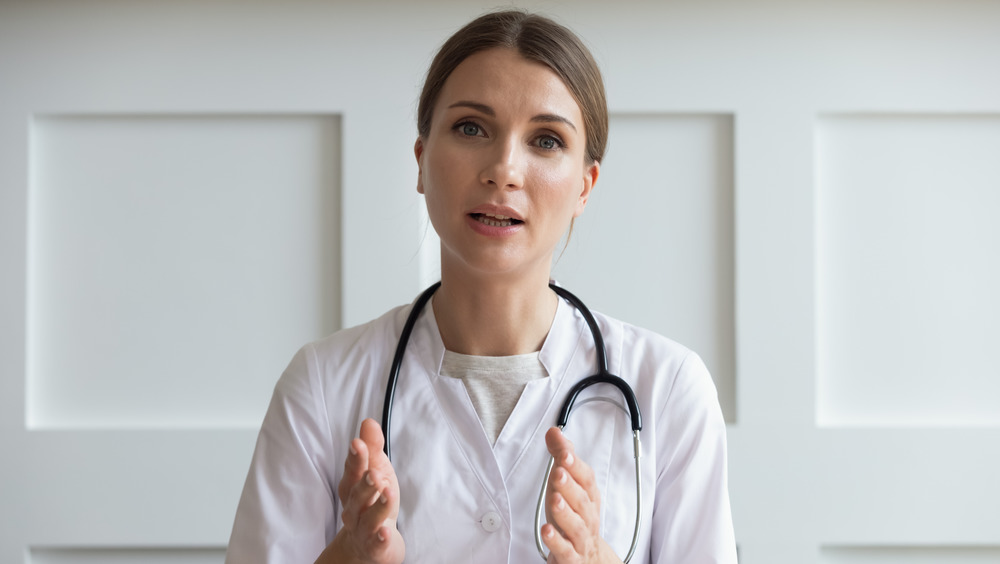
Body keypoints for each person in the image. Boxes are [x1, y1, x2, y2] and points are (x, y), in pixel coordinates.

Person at [226, 10, 736, 564]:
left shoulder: (669, 390)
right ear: (421, 162)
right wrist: (349, 554)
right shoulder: (322, 385)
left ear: (584, 187)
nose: (503, 170)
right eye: (471, 128)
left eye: (545, 140)